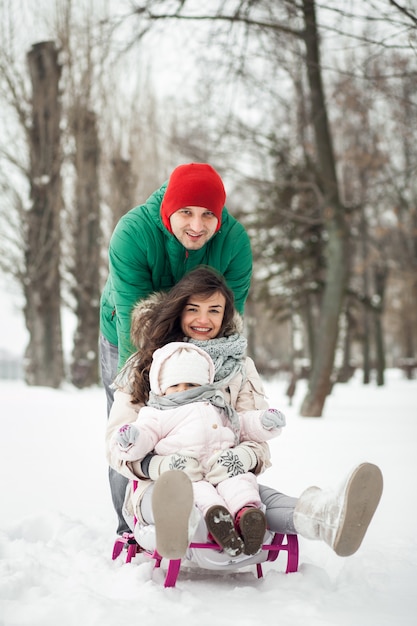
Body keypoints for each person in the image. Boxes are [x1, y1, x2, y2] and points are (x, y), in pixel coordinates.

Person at [106, 267, 383, 561]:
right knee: (176, 500)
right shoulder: (147, 363)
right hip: (162, 484)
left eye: (214, 310)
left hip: (225, 475)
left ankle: (324, 516)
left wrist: (244, 457)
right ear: (178, 311)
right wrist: (159, 466)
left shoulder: (239, 366)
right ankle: (180, 527)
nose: (203, 319)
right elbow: (118, 443)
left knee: (259, 499)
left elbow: (254, 430)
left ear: (225, 315)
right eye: (193, 309)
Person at [100, 163, 252, 534]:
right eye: (186, 212)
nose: (197, 226)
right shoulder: (133, 233)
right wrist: (137, 391)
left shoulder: (234, 242)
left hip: (201, 336)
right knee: (132, 428)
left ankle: (212, 515)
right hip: (129, 332)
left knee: (205, 424)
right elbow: (134, 327)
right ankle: (131, 525)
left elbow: (226, 323)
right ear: (169, 209)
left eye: (208, 215)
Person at [111, 341, 286, 557]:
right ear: (161, 389)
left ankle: (248, 518)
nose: (183, 391)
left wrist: (263, 422)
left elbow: (241, 425)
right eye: (175, 386)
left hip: (222, 469)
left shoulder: (217, 406)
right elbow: (145, 434)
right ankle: (218, 525)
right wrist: (131, 439)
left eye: (191, 385)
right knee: (199, 497)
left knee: (241, 484)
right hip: (188, 474)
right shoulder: (157, 413)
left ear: (204, 385)